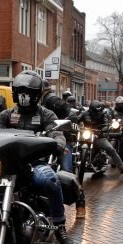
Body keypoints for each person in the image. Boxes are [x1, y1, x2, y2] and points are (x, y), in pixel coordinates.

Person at [0, 70, 74, 244]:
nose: (24, 96)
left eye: (28, 92)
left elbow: (56, 133)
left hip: (36, 163)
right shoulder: (7, 115)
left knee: (50, 180)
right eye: (20, 92)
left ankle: (59, 224)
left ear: (36, 94)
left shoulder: (46, 114)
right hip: (9, 165)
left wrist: (58, 144)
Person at [39, 80, 86, 220]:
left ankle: (80, 202)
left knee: (66, 170)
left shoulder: (53, 100)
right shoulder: (34, 105)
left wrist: (61, 128)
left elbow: (71, 114)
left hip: (61, 139)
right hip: (42, 141)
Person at [78, 100, 123, 173]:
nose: (97, 113)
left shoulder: (103, 114)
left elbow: (106, 123)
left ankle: (122, 168)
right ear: (91, 109)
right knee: (75, 145)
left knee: (110, 149)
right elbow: (76, 119)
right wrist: (73, 122)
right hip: (86, 135)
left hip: (99, 136)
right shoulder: (84, 114)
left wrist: (103, 129)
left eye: (99, 111)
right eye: (95, 111)